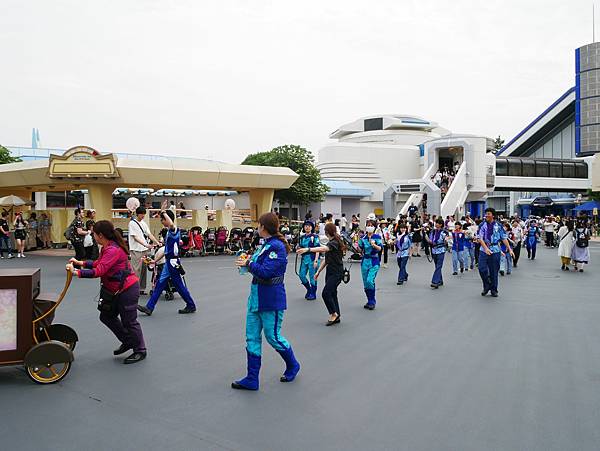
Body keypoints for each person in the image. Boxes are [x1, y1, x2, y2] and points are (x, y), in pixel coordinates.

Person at [232, 212, 300, 390]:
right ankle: (252, 378)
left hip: (271, 299)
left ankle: (293, 365)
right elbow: (256, 266)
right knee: (252, 337)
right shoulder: (265, 245)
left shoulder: (277, 247)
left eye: (258, 225)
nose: (257, 228)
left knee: (273, 337)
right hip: (256, 297)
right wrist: (245, 260)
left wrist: (248, 264)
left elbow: (265, 272)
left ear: (264, 227)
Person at [66, 220, 146, 364]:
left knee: (129, 321)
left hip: (126, 290)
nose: (93, 236)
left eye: (94, 234)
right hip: (116, 290)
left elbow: (99, 271)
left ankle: (140, 350)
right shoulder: (107, 247)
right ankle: (128, 341)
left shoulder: (112, 250)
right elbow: (99, 263)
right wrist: (81, 263)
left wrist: (77, 272)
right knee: (106, 316)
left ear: (100, 235)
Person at [137, 210, 197, 315]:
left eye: (162, 219)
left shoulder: (174, 230)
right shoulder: (169, 232)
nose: (161, 221)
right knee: (160, 285)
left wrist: (163, 212)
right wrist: (155, 261)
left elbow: (172, 223)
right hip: (169, 262)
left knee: (177, 285)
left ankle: (191, 305)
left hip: (172, 263)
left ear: (167, 219)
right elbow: (166, 251)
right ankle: (149, 307)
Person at [298, 222, 345, 325]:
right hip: (331, 271)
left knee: (326, 293)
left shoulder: (334, 242)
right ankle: (337, 314)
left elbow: (323, 249)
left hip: (337, 272)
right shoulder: (331, 241)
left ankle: (333, 314)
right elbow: (327, 260)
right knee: (332, 293)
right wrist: (318, 271)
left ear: (327, 232)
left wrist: (308, 249)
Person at [477, 208, 514, 297]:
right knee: (482, 269)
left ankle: (494, 290)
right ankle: (487, 285)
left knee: (494, 271)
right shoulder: (482, 224)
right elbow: (479, 238)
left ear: (493, 215)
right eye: (486, 214)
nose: (486, 215)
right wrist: (486, 248)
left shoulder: (499, 225)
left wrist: (510, 249)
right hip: (483, 249)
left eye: (488, 214)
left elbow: (504, 237)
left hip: (495, 249)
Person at [128, 207, 160, 295]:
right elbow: (135, 237)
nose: (143, 216)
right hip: (136, 249)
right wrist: (146, 244)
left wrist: (157, 242)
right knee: (136, 270)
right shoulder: (132, 223)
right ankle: (134, 289)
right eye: (142, 214)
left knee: (143, 270)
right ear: (137, 214)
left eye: (144, 214)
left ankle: (141, 289)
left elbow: (149, 234)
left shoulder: (143, 223)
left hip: (144, 250)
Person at [359, 219, 383, 310]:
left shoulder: (377, 237)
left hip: (374, 261)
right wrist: (358, 241)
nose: (369, 227)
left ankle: (372, 301)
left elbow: (380, 248)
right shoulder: (363, 237)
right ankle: (369, 300)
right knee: (366, 283)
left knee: (370, 280)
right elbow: (360, 250)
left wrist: (374, 245)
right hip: (365, 261)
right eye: (368, 225)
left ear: (374, 227)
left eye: (371, 225)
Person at [296, 221, 321, 300]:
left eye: (309, 226)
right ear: (303, 227)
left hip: (313, 258)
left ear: (312, 227)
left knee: (312, 277)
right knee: (301, 275)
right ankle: (309, 289)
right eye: (306, 226)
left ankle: (313, 293)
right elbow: (300, 247)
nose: (307, 227)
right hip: (304, 259)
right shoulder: (302, 238)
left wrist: (316, 260)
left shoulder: (315, 237)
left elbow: (318, 248)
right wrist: (298, 248)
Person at [425, 218, 449, 288]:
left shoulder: (444, 232)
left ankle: (435, 281)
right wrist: (428, 240)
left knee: (439, 266)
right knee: (437, 266)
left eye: (438, 223)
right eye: (436, 223)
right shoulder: (432, 231)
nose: (436, 224)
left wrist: (446, 240)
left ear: (441, 224)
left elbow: (446, 239)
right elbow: (430, 239)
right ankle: (440, 280)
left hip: (441, 250)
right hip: (434, 250)